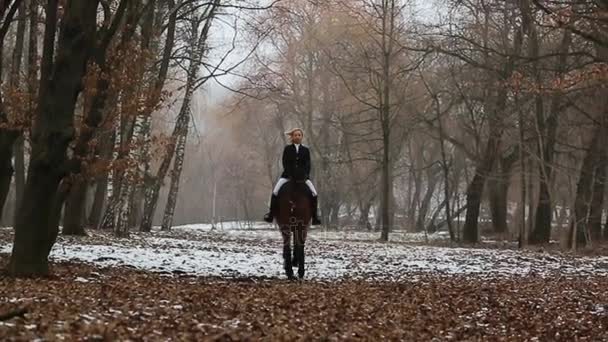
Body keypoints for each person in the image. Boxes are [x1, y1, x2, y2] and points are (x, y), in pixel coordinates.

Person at [263, 128, 321, 225]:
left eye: (299, 135)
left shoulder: (306, 150)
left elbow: (308, 164)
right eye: (295, 135)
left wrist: (305, 175)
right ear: (292, 137)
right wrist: (290, 174)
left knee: (314, 193)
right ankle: (271, 215)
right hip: (287, 176)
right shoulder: (287, 149)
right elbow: (285, 163)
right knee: (275, 191)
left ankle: (315, 217)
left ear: (302, 137)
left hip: (303, 177)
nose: (297, 136)